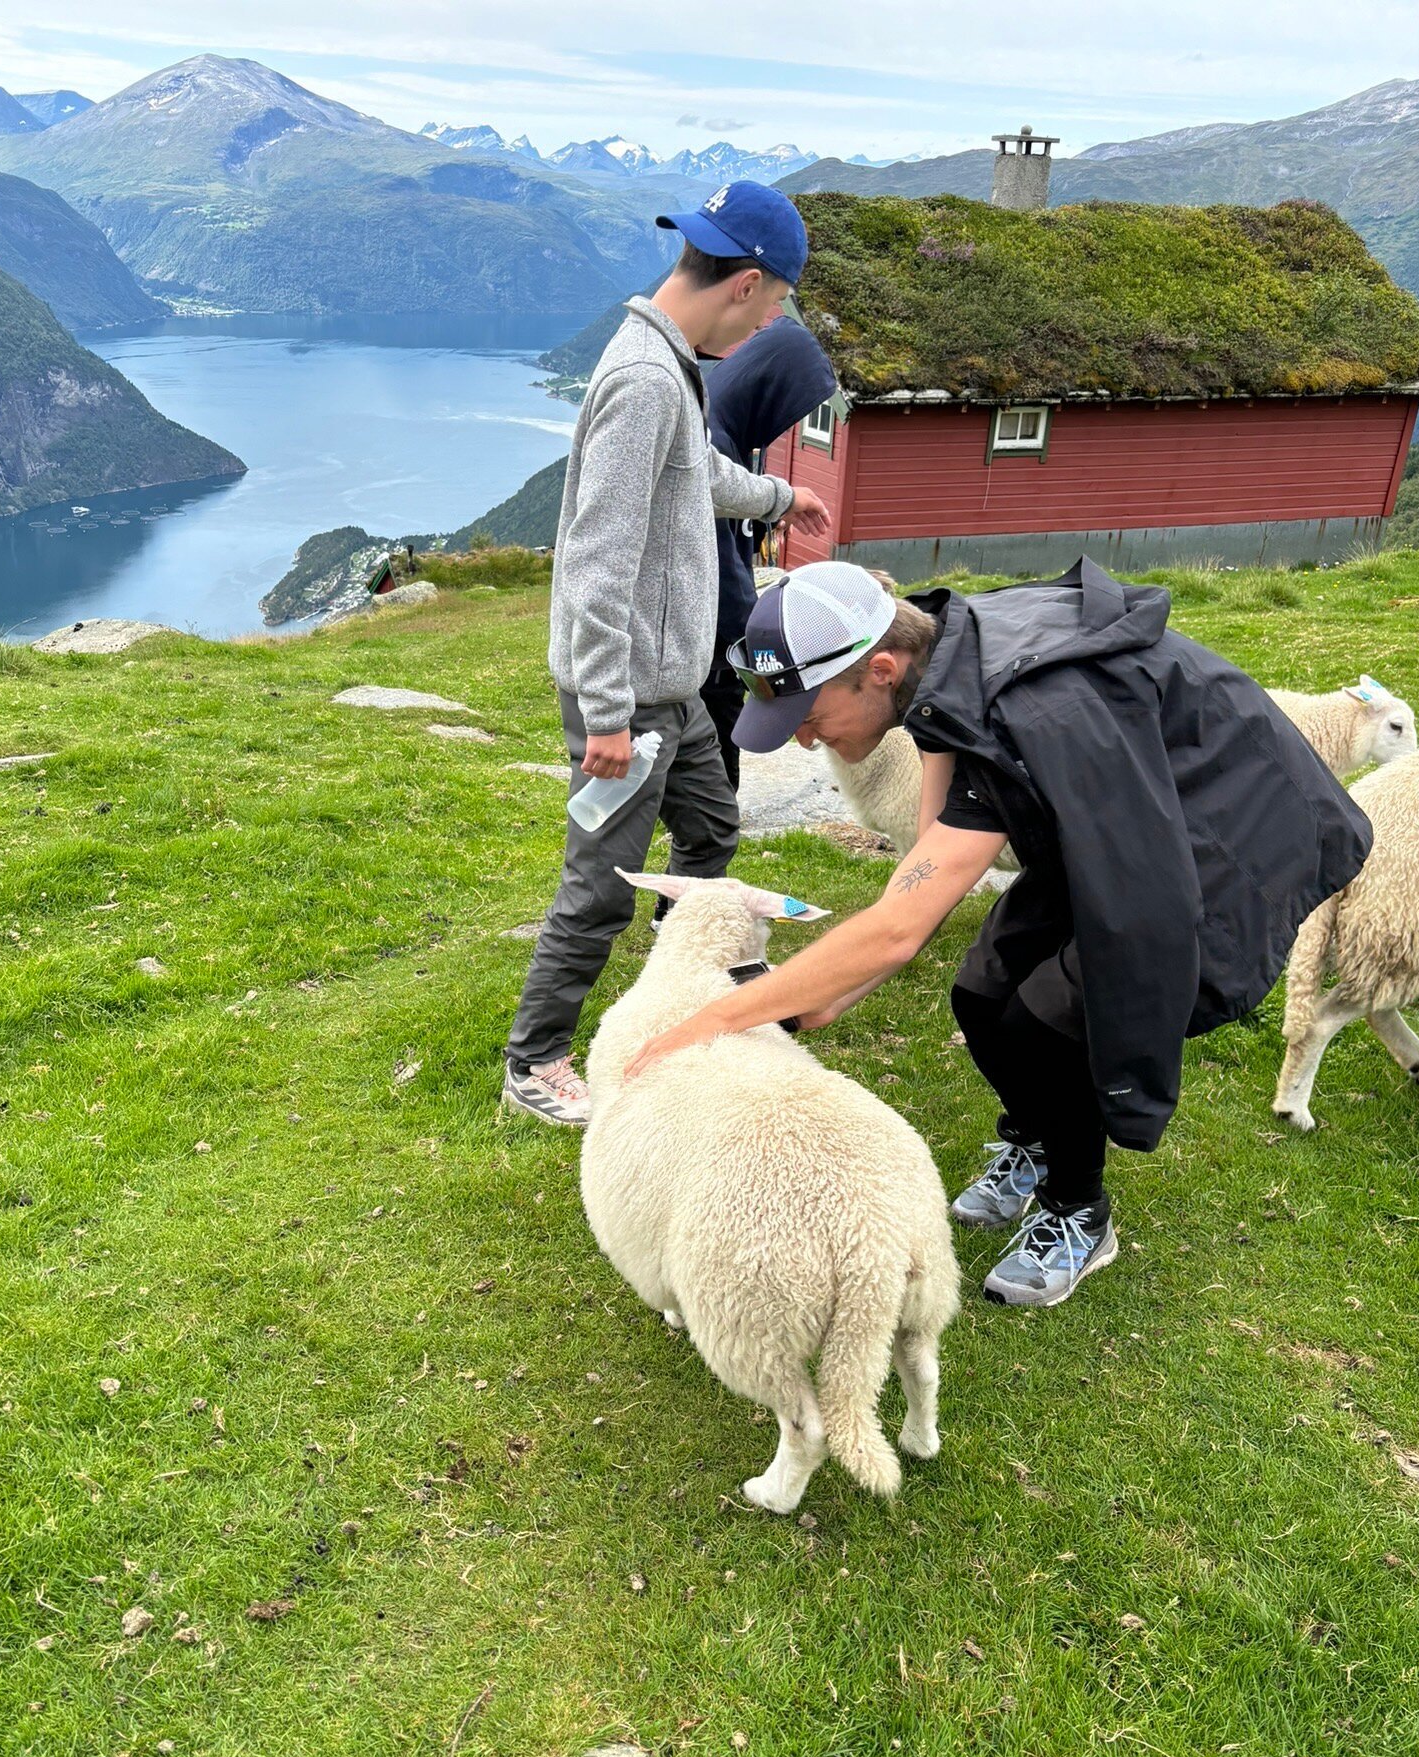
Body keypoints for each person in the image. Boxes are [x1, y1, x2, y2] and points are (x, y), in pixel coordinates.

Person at [626, 557, 1372, 1306]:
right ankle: (1038, 1141)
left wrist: (714, 1020)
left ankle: (1079, 1212)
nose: (802, 742)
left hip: (1222, 838)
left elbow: (899, 928)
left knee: (1054, 1019)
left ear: (879, 669)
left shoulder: (1030, 706)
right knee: (983, 993)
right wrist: (840, 989)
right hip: (1121, 811)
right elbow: (920, 880)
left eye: (810, 718)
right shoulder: (936, 662)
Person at [501, 182, 831, 1125]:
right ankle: (535, 1061)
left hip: (675, 689)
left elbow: (698, 479)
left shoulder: (670, 361)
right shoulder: (647, 382)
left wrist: (779, 502)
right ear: (749, 284)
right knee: (600, 885)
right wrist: (605, 714)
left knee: (713, 830)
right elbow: (596, 561)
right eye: (775, 307)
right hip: (631, 700)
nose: (772, 321)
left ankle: (695, 978)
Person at [701, 317, 836, 790]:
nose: (786, 424)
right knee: (715, 757)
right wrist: (764, 650)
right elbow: (718, 571)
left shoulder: (723, 423)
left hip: (701, 640)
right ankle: (711, 825)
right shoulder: (715, 440)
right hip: (708, 650)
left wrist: (763, 518)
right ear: (767, 392)